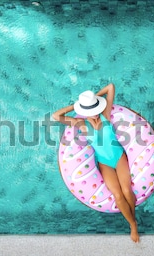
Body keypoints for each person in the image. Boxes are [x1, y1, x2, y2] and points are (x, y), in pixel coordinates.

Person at [52, 83, 140, 243]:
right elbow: (56, 116)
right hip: (104, 163)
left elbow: (111, 87)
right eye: (90, 112)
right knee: (118, 196)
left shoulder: (105, 114)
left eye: (95, 109)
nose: (95, 114)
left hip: (119, 156)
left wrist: (94, 99)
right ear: (84, 112)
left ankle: (133, 222)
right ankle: (132, 223)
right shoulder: (81, 125)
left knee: (127, 191)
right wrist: (76, 107)